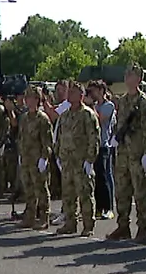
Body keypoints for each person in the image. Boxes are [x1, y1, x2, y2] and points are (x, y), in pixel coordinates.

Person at [107, 66, 146, 243]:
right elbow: (119, 123)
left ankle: (142, 228)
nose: (128, 78)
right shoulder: (122, 101)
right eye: (126, 75)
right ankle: (123, 226)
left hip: (137, 154)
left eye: (132, 75)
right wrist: (114, 138)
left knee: (140, 192)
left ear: (139, 79)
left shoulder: (145, 103)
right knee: (122, 191)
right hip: (122, 154)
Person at [55, 81, 101, 236]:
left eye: (73, 92)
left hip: (81, 162)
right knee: (68, 195)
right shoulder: (65, 115)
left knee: (85, 195)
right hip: (67, 162)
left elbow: (93, 138)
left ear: (81, 95)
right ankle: (70, 223)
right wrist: (58, 156)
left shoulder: (87, 114)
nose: (69, 95)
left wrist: (90, 160)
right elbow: (59, 137)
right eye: (69, 92)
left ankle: (88, 225)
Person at [17, 86, 54, 230]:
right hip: (26, 159)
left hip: (38, 159)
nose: (27, 101)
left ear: (37, 100)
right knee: (28, 189)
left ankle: (44, 217)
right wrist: (21, 155)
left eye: (30, 98)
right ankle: (30, 216)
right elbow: (21, 138)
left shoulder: (42, 119)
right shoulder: (25, 118)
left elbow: (47, 141)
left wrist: (44, 158)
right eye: (26, 98)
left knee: (41, 189)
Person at [89, 81, 117, 220]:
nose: (92, 94)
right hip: (92, 145)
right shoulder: (96, 106)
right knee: (96, 178)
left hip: (103, 145)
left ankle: (108, 207)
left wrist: (91, 106)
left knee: (104, 176)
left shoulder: (108, 105)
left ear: (101, 91)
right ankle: (99, 208)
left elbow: (99, 120)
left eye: (94, 91)